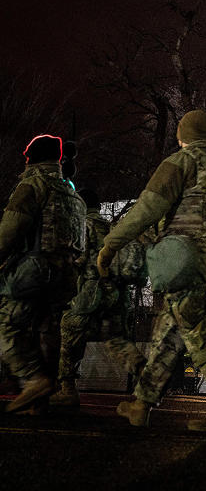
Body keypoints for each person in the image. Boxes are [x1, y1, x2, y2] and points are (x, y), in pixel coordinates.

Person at [99, 109, 206, 432]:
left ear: (181, 136)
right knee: (167, 338)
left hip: (185, 262)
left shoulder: (181, 162)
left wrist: (111, 244)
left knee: (203, 338)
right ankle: (140, 404)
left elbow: (147, 209)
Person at [0, 135, 85, 413]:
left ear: (32, 158)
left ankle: (33, 379)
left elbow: (10, 232)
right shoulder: (72, 194)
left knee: (7, 323)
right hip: (67, 274)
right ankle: (41, 400)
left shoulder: (32, 185)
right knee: (48, 331)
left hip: (35, 268)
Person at [51, 188, 146, 405]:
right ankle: (146, 373)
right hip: (118, 292)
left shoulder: (82, 225)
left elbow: (77, 259)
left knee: (70, 331)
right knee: (115, 338)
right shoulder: (111, 227)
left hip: (91, 290)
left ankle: (67, 388)